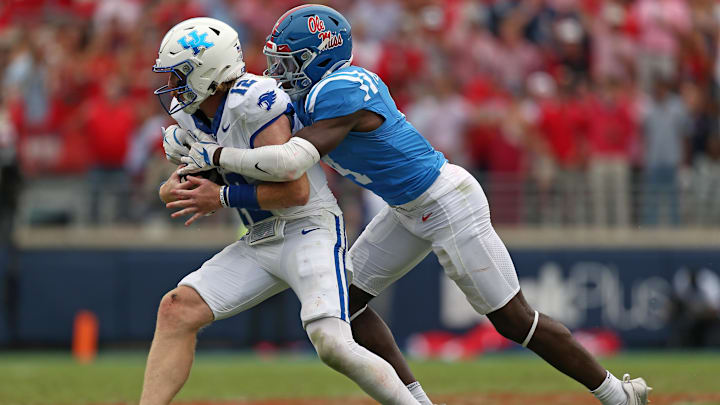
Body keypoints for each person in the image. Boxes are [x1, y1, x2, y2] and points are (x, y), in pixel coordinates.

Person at [179, 5, 651, 405]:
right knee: (349, 300)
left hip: (446, 201)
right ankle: (416, 400)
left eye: (289, 61)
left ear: (321, 59)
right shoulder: (311, 94)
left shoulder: (343, 87)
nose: (278, 72)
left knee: (513, 320)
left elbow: (290, 160)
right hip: (405, 209)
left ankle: (615, 394)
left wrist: (217, 157)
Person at [141, 17, 421, 405]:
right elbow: (198, 173)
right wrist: (172, 186)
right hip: (261, 238)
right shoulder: (191, 111)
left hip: (308, 228)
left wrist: (220, 197)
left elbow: (295, 190)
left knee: (331, 342)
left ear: (209, 71)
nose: (172, 85)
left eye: (181, 74)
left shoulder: (255, 103)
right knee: (176, 309)